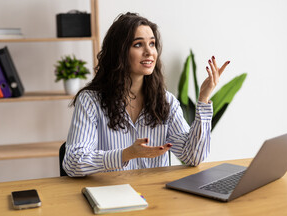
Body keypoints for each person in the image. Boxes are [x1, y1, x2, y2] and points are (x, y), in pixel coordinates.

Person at [63, 12, 230, 177]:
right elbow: (72, 162)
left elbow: (193, 157)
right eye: (138, 45)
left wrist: (203, 99)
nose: (149, 52)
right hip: (109, 197)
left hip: (156, 199)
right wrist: (126, 154)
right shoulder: (91, 101)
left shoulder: (166, 101)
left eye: (152, 44)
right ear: (119, 52)